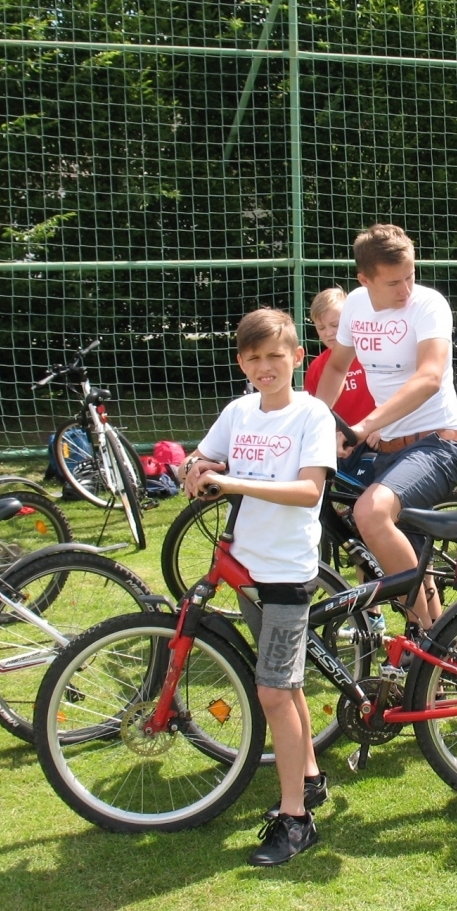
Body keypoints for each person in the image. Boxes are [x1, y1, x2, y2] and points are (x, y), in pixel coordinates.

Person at [179, 308, 336, 866]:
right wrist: (195, 467)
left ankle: (296, 819)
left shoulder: (312, 414)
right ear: (241, 363)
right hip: (245, 567)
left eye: (275, 356)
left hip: (288, 571)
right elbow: (207, 454)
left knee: (272, 691)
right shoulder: (239, 411)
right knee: (285, 687)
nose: (264, 366)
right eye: (253, 358)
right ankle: (309, 778)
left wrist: (231, 482)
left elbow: (309, 492)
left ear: (297, 357)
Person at [313, 224, 457, 631]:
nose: (406, 290)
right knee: (407, 554)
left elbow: (429, 377)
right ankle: (437, 641)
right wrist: (316, 423)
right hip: (388, 449)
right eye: (394, 282)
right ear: (364, 280)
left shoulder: (428, 305)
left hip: (436, 443)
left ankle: (426, 638)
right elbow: (336, 367)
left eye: (411, 276)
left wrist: (363, 425)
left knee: (370, 512)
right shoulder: (356, 306)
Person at [303, 287, 375, 478]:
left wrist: (384, 427)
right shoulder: (316, 367)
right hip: (341, 447)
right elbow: (316, 416)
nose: (329, 333)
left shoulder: (372, 353)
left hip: (378, 440)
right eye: (321, 328)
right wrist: (330, 439)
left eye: (335, 325)